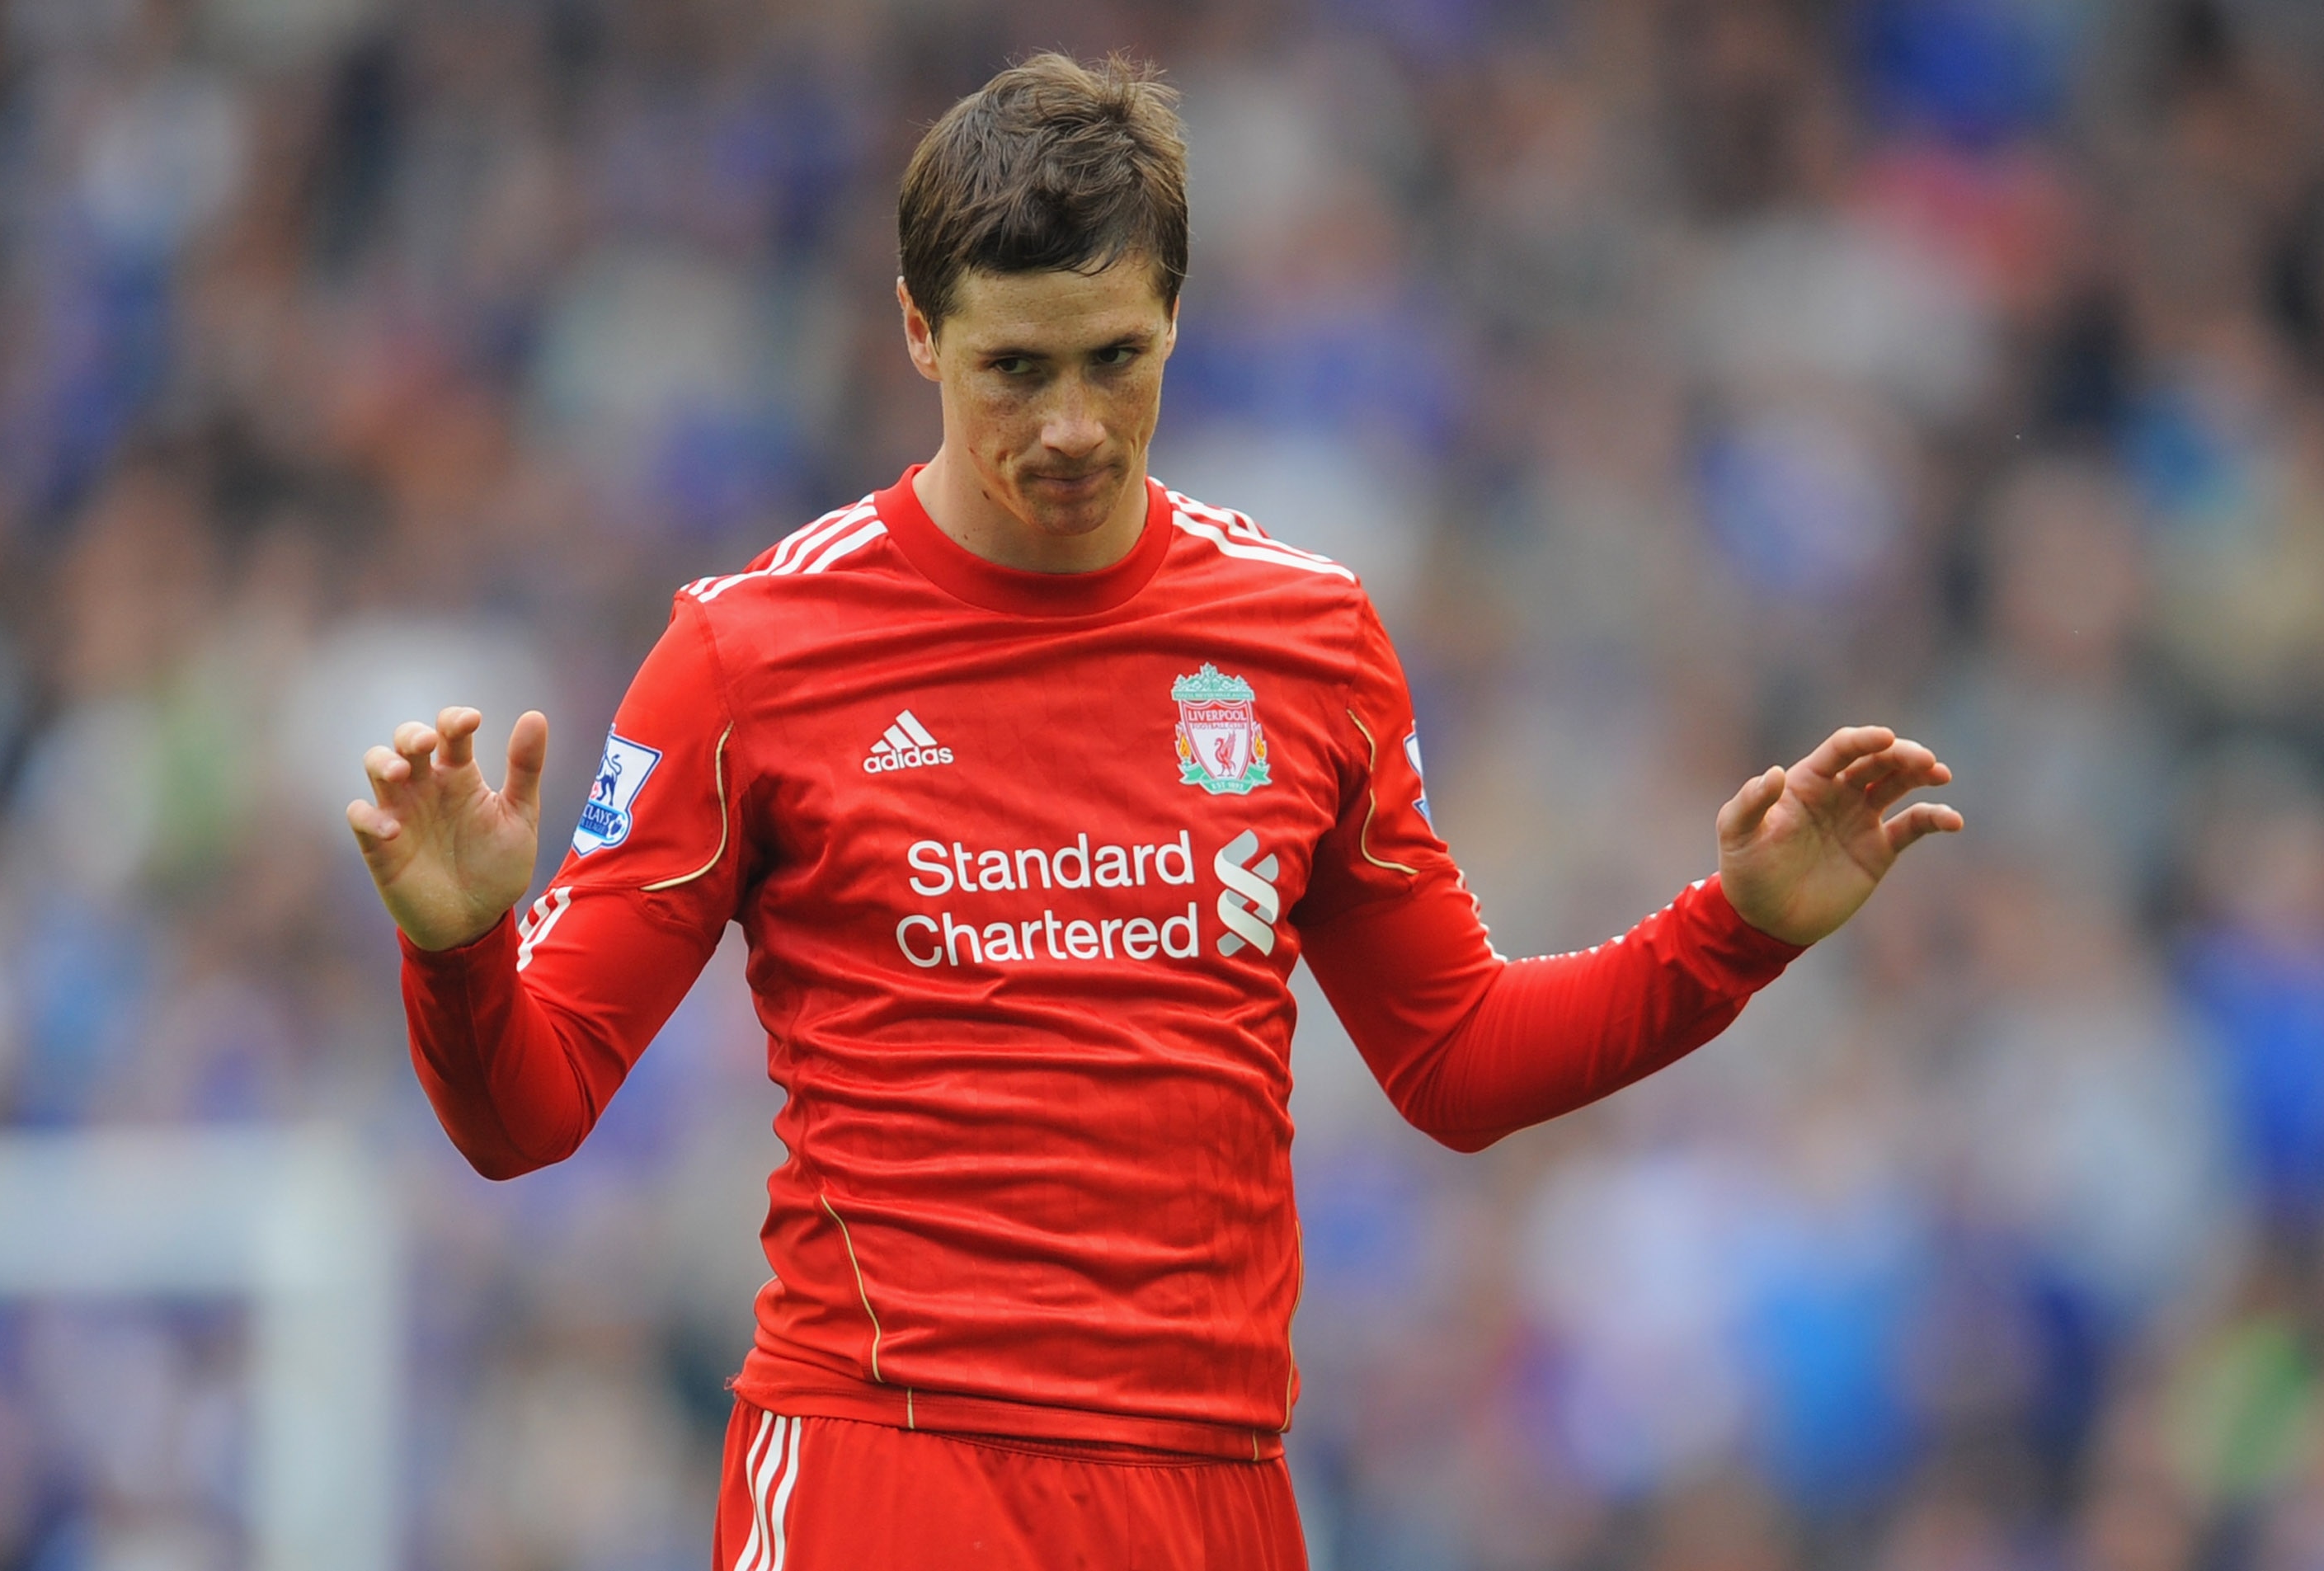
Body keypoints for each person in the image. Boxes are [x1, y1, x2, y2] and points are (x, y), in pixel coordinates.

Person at [347, 51, 1961, 1571]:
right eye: (1013, 369)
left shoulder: (1305, 633)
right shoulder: (748, 653)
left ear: (1177, 316)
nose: (1067, 426)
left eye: (1114, 360)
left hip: (1210, 1485)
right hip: (887, 1461)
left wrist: (1731, 931)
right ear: (918, 332)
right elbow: (527, 1116)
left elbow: (1453, 1060)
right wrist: (466, 948)